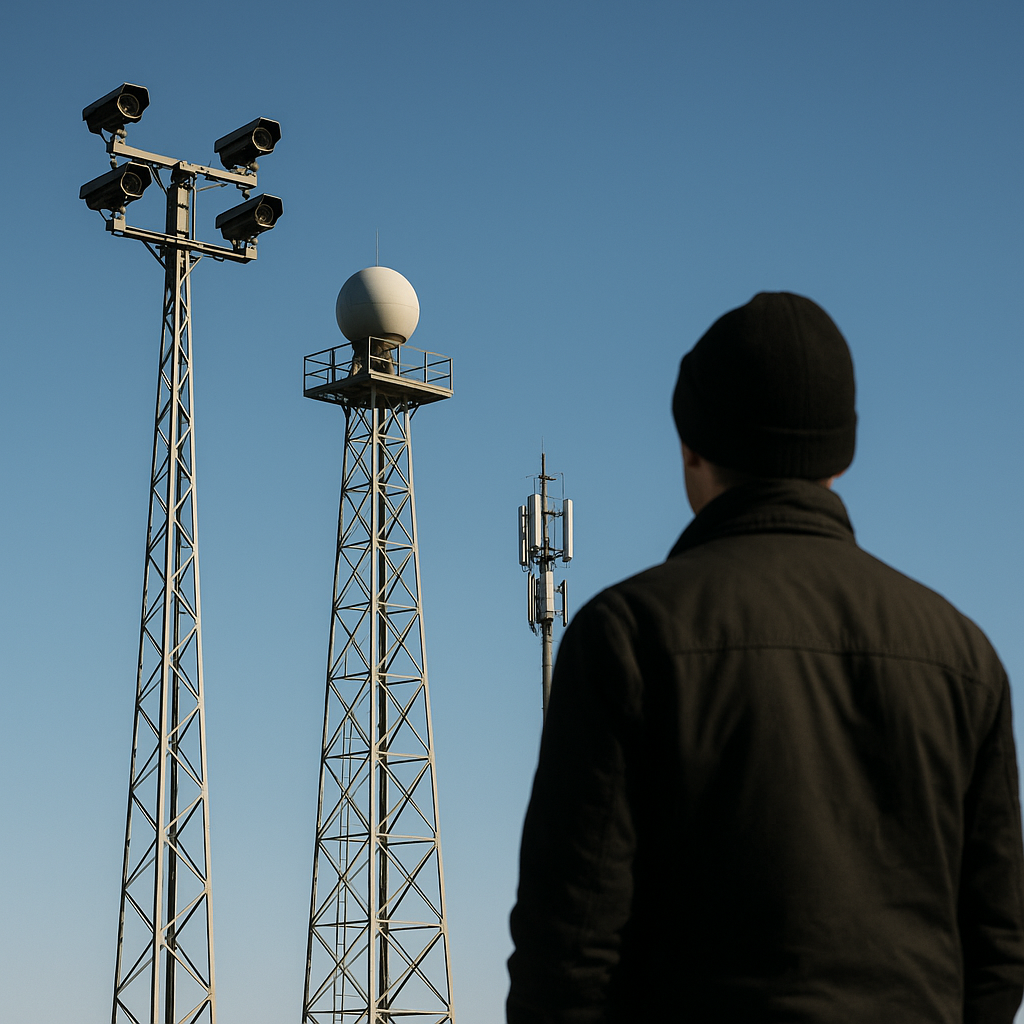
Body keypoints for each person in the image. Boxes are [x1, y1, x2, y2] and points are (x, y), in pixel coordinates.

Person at [506, 292, 1024, 1024]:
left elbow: (567, 951)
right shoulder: (965, 658)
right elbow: (998, 952)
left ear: (691, 448)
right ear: (840, 457)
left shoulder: (626, 637)